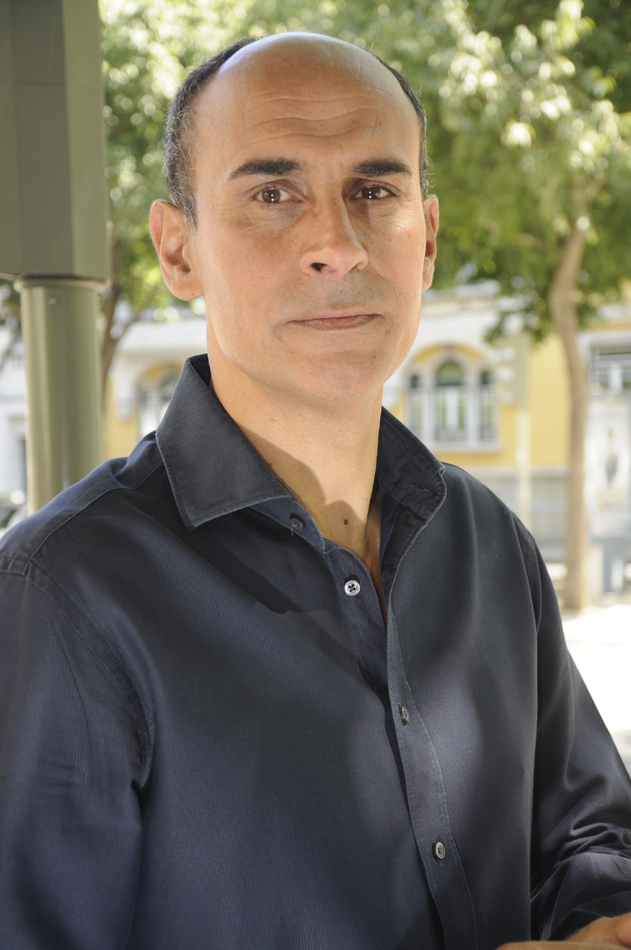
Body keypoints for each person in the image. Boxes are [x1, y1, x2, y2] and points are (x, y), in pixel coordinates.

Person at [1, 32, 630, 950]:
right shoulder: (59, 592)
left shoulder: (489, 542)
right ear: (177, 250)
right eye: (272, 194)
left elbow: (586, 837)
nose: (336, 245)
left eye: (374, 191)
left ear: (426, 240)